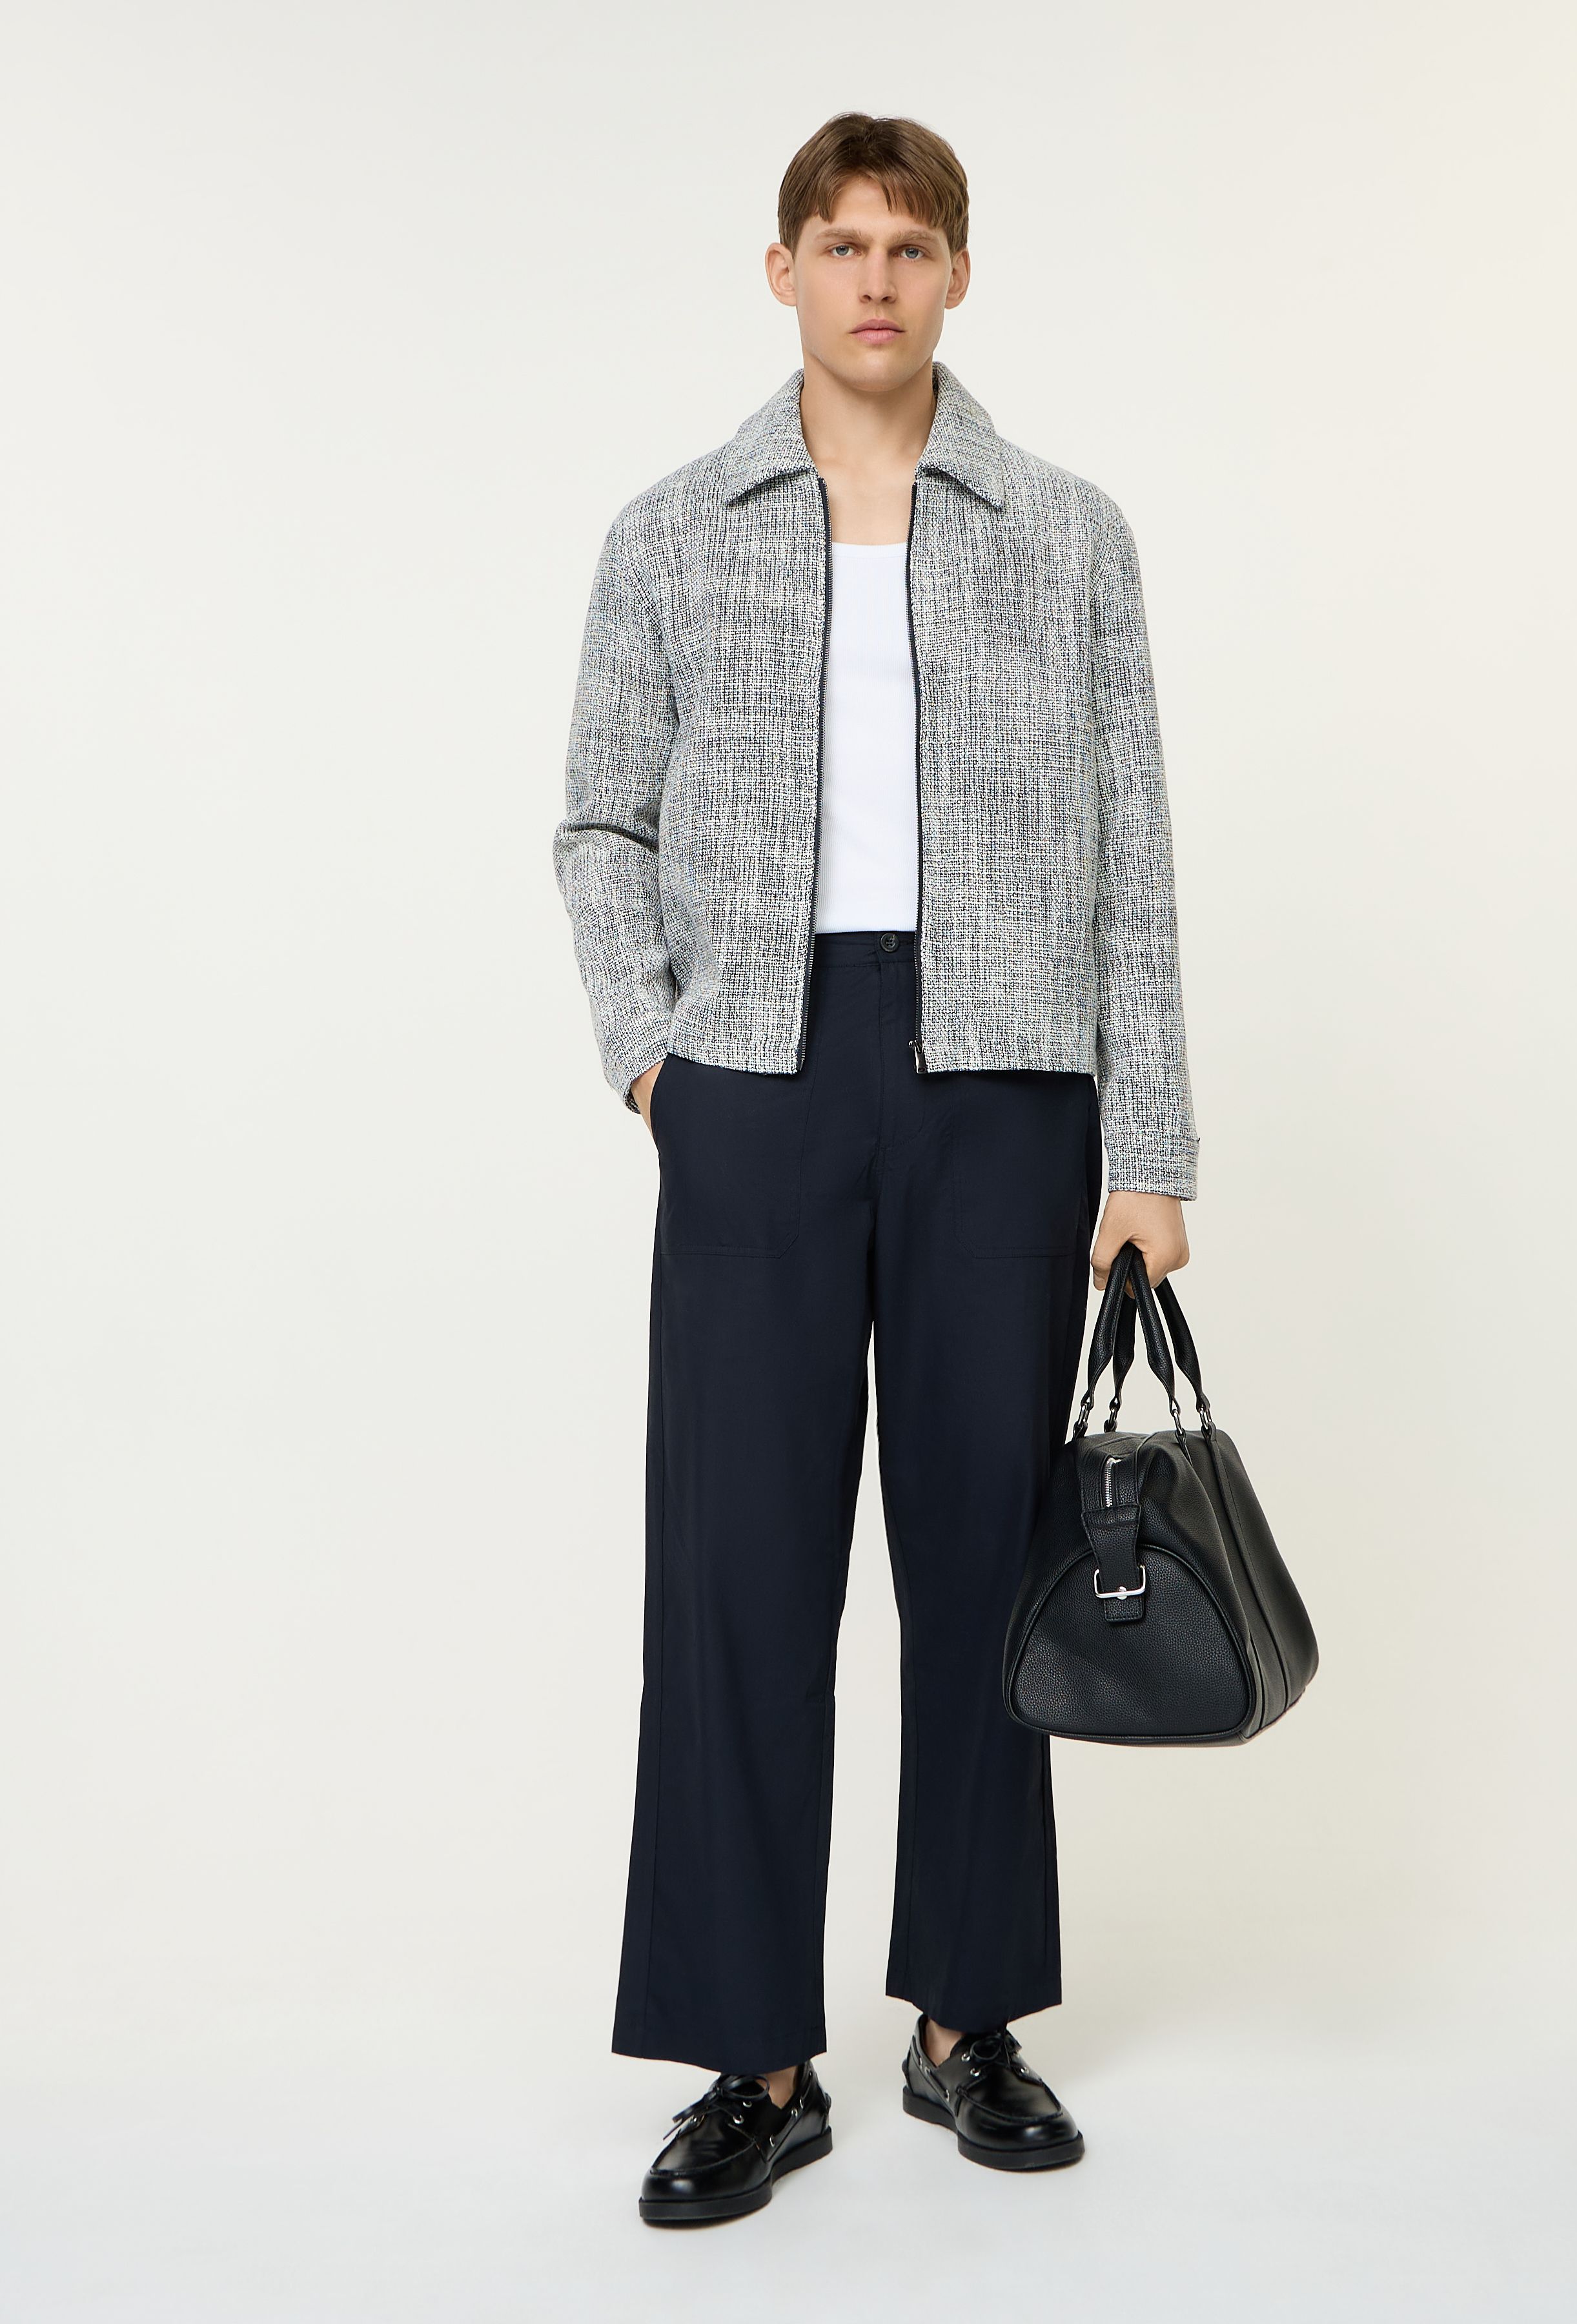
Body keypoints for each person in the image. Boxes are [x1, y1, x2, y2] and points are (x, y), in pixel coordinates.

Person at [553, 110, 1197, 2225]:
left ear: (957, 275)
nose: (874, 282)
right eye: (839, 246)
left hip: (1002, 1087)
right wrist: (655, 1063)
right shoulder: (673, 529)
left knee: (984, 1559)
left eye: (909, 248)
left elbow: (1132, 861)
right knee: (737, 1570)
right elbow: (599, 821)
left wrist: (1144, 1148)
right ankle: (750, 2052)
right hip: (753, 1076)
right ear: (782, 273)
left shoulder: (1065, 532)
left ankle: (963, 2016)